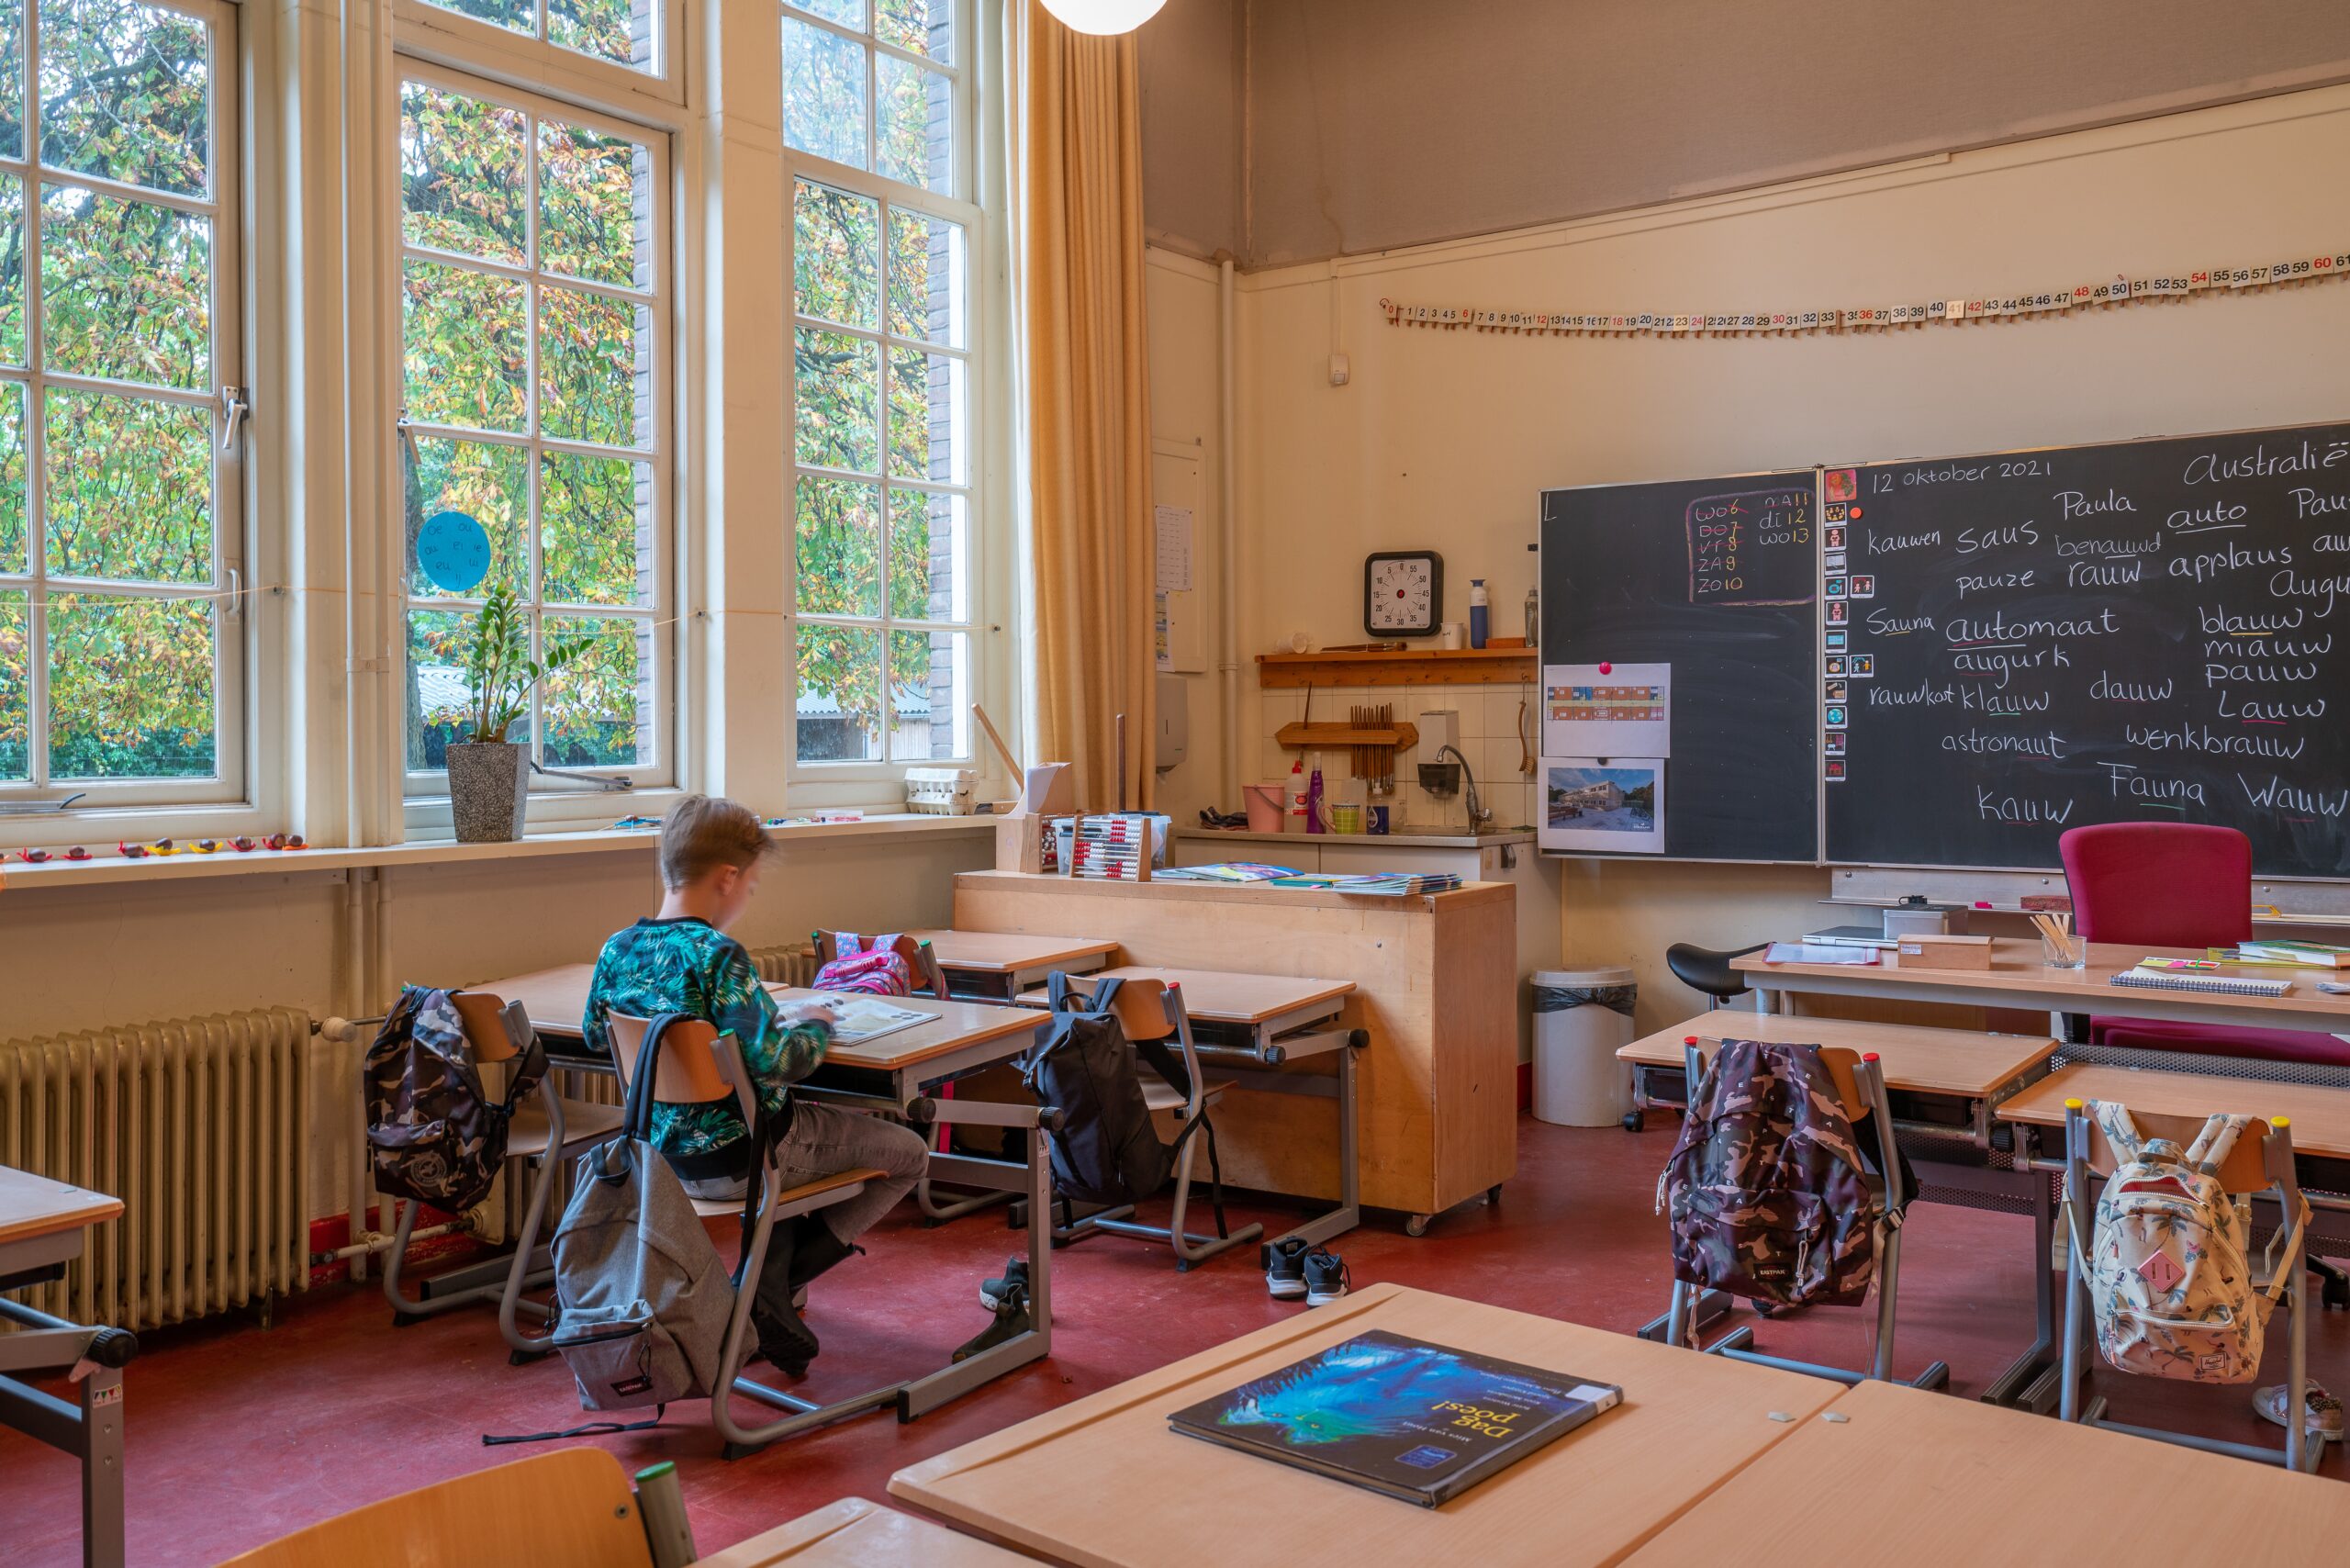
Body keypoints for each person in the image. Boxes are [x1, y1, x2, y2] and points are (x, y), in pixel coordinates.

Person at [579, 795, 1000, 1370]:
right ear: (728, 878)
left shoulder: (615, 950)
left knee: (819, 1156)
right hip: (751, 1156)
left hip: (666, 1165)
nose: (747, 896)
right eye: (750, 885)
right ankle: (756, 1296)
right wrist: (819, 1025)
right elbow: (781, 1063)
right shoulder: (718, 956)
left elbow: (596, 1036)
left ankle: (762, 1288)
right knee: (908, 1155)